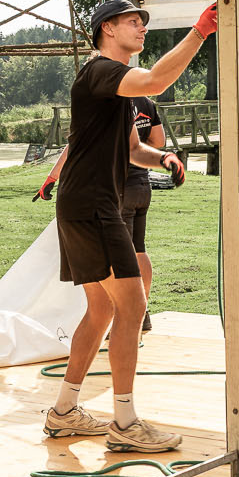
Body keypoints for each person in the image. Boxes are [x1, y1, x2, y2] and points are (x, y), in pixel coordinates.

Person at [41, 0, 214, 452]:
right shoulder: (100, 70)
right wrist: (200, 32)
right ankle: (125, 422)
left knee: (101, 310)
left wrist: (164, 158)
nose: (141, 28)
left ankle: (63, 412)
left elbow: (133, 148)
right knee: (132, 308)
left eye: (143, 22)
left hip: (84, 203)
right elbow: (158, 78)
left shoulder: (115, 87)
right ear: (106, 29)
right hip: (95, 206)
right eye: (132, 22)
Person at [35, 96, 165, 333]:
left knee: (118, 259)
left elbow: (74, 145)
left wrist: (52, 178)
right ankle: (143, 313)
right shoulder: (146, 103)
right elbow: (159, 140)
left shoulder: (103, 102)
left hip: (117, 189)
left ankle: (126, 316)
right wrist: (136, 147)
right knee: (139, 249)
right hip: (141, 187)